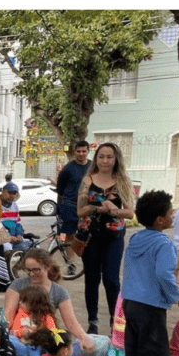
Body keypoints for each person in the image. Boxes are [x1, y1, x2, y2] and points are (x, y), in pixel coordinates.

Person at [120, 189, 179, 356]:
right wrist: (177, 295)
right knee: (157, 351)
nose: (173, 215)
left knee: (135, 346)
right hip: (150, 305)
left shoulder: (136, 238)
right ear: (160, 220)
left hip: (130, 301)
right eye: (170, 213)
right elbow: (164, 274)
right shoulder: (164, 244)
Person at [4, 248, 112, 356]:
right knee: (6, 342)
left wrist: (83, 337)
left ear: (47, 267)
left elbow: (71, 323)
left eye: (36, 270)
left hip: (48, 344)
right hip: (22, 342)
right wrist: (19, 332)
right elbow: (7, 318)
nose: (31, 274)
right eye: (28, 270)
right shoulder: (18, 285)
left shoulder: (59, 291)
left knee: (86, 346)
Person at [76, 142, 136, 334]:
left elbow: (130, 213)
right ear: (96, 158)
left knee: (111, 280)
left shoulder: (123, 181)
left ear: (116, 159)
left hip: (113, 237)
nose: (105, 160)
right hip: (90, 237)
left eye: (109, 157)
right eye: (101, 156)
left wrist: (113, 210)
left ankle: (115, 321)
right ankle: (92, 322)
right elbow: (80, 211)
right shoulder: (88, 181)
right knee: (91, 280)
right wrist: (96, 208)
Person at [55, 139, 91, 272]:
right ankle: (71, 265)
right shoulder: (68, 169)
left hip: (87, 206)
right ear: (74, 152)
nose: (81, 154)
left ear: (88, 151)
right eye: (78, 151)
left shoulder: (93, 167)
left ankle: (88, 261)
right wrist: (60, 209)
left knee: (86, 235)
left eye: (84, 151)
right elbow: (60, 190)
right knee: (70, 235)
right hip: (69, 205)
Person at [8, 285, 60, 356]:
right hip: (24, 344)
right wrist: (22, 332)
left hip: (40, 347)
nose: (20, 303)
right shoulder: (21, 313)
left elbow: (53, 334)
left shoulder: (46, 317)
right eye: (20, 300)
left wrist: (38, 331)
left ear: (34, 304)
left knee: (35, 344)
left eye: (24, 301)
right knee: (8, 339)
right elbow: (15, 329)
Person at [0, 182, 33, 251]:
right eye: (9, 193)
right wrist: (8, 238)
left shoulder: (15, 205)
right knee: (7, 249)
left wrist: (19, 235)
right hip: (1, 238)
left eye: (14, 193)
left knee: (33, 245)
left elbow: (18, 223)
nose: (11, 195)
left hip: (14, 238)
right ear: (3, 192)